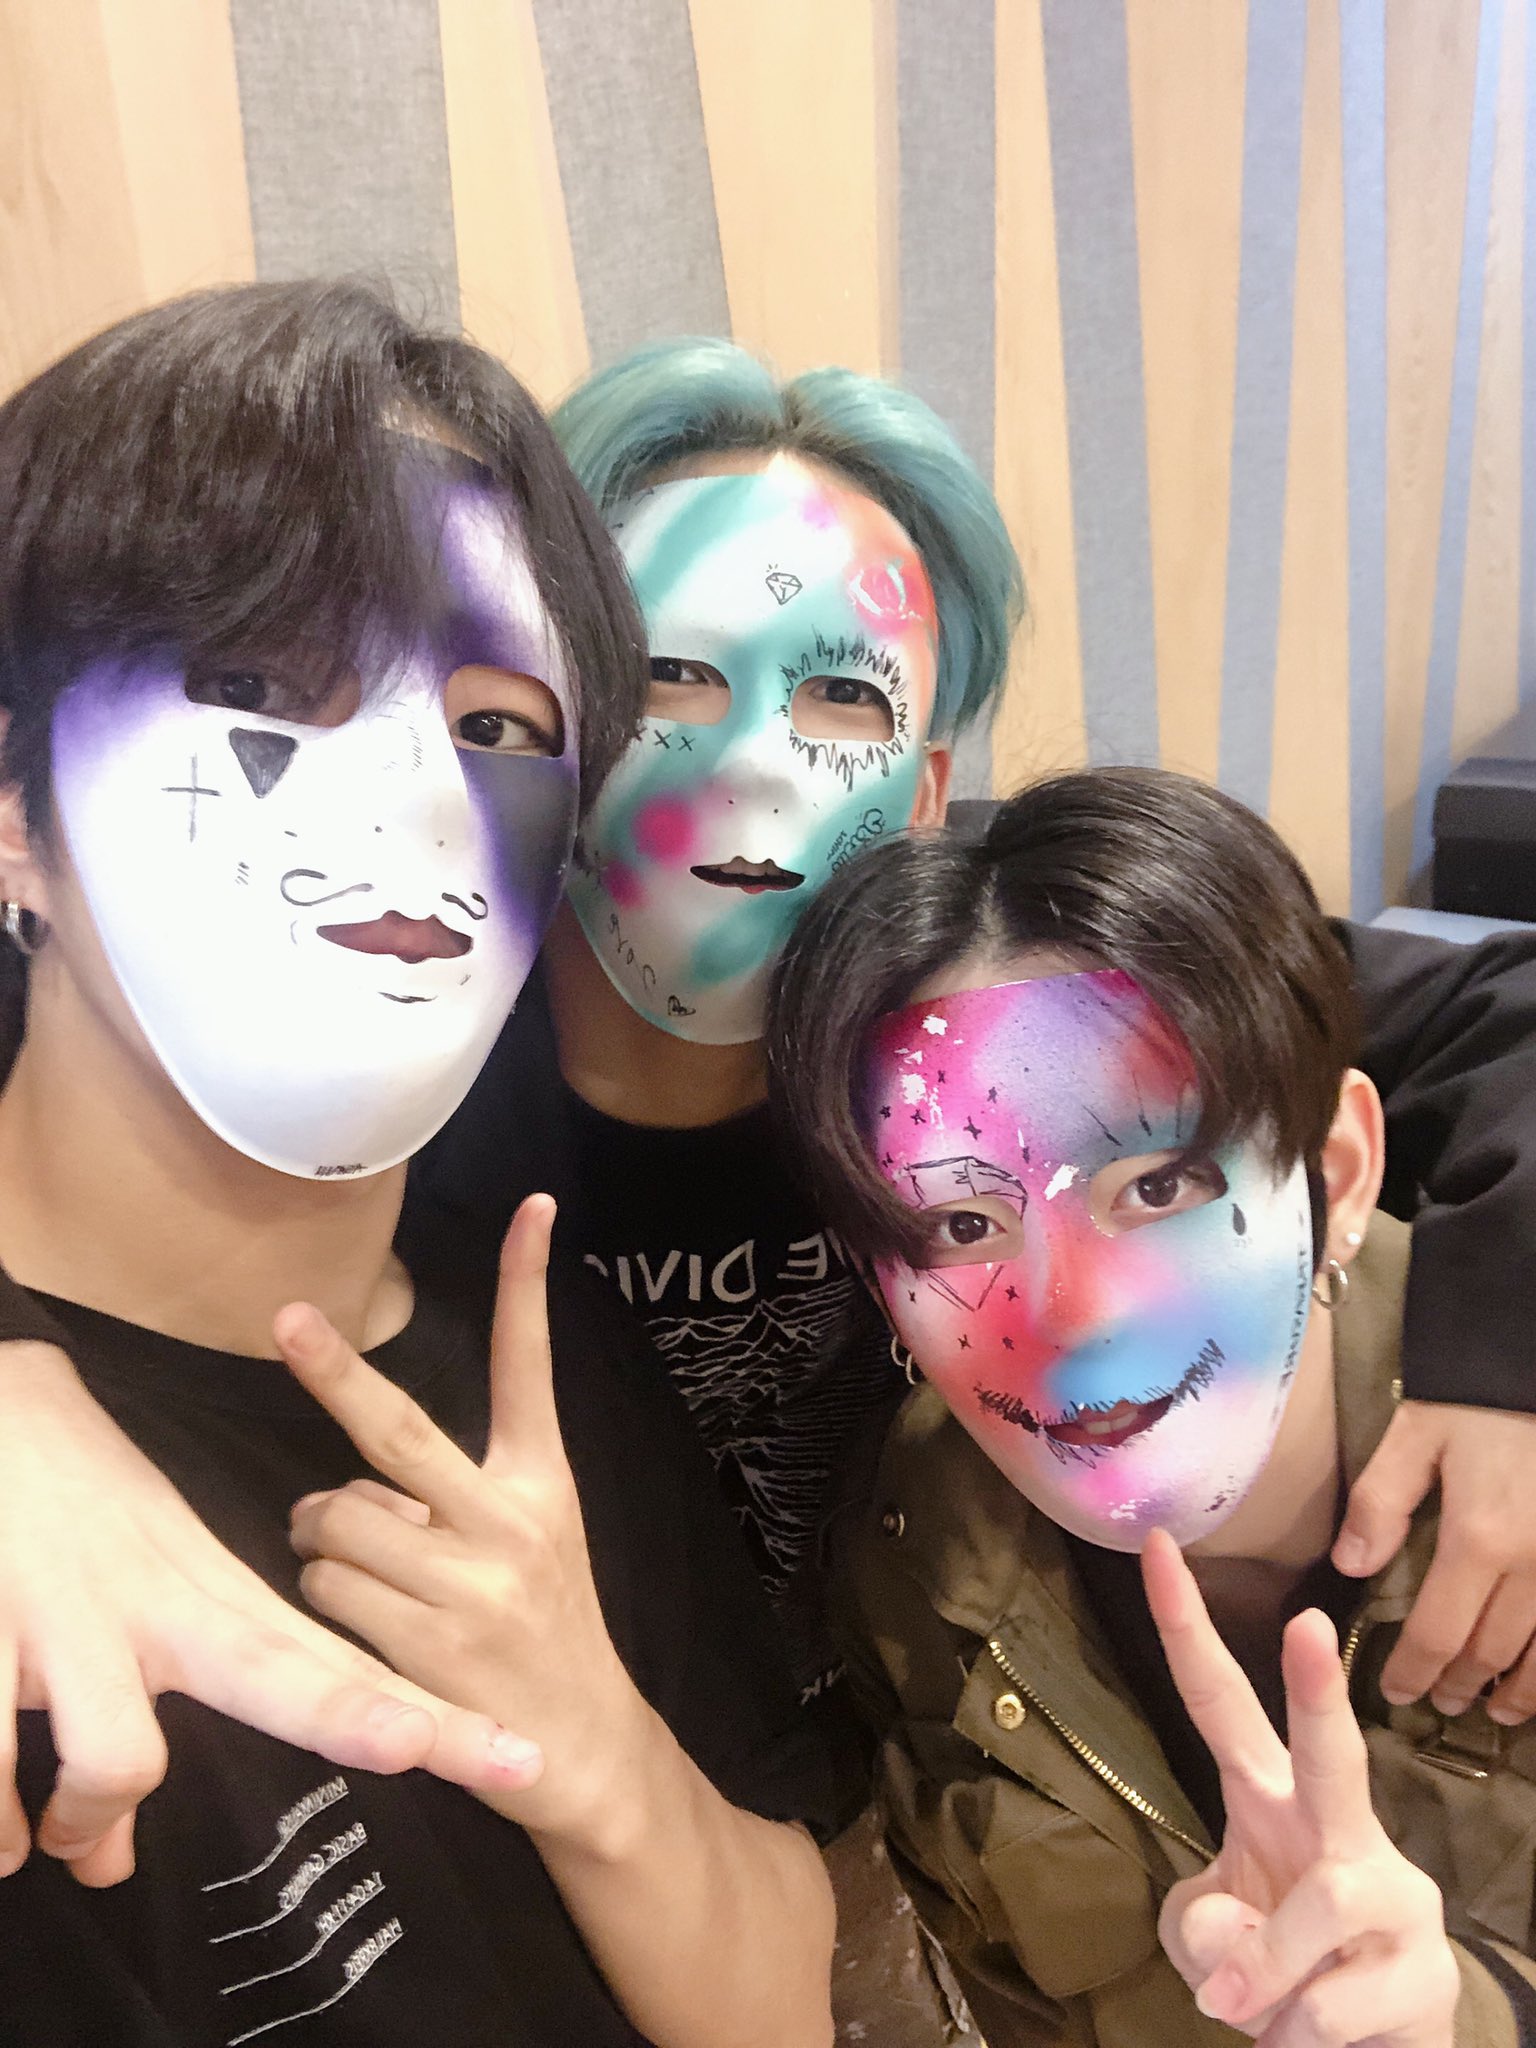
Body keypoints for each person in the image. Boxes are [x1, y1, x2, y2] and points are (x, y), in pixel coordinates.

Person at [9, 336, 1536, 1893]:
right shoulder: (396, 1001)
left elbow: (1491, 1009)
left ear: (925, 789)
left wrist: (1504, 1353)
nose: (751, 770)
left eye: (842, 701)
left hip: (922, 1754)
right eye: (670, 679)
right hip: (548, 1777)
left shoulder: (994, 983)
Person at [0, 281, 837, 2045]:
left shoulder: (540, 1345)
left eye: (497, 726)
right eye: (254, 683)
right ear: (16, 803)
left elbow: (785, 1998)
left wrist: (596, 1753)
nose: (412, 797)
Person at [765, 765, 1536, 2044]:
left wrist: (1466, 2020)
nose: (1074, 1313)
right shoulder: (912, 1555)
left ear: (1339, 1173)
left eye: (1161, 1185)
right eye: (963, 1225)